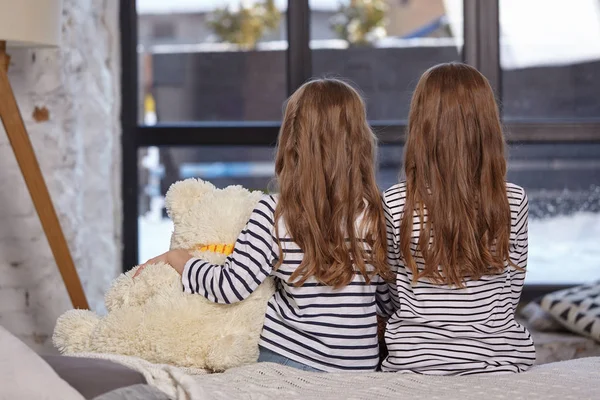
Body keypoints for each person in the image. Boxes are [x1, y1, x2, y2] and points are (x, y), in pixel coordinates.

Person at [136, 78, 393, 372]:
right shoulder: (377, 213)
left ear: (292, 141)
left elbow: (230, 287)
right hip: (358, 366)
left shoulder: (275, 212)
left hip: (288, 359)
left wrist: (177, 257)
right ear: (360, 141)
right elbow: (384, 301)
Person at [381, 63, 536, 375]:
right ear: (487, 125)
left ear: (420, 125)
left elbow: (392, 292)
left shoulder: (395, 202)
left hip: (416, 363)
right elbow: (509, 295)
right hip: (499, 361)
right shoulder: (514, 200)